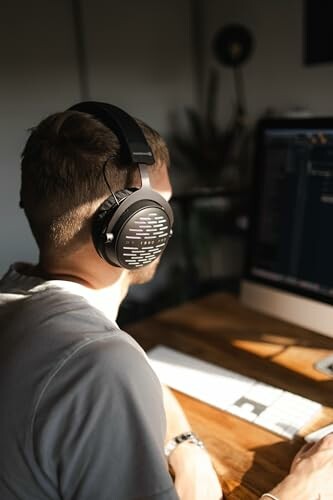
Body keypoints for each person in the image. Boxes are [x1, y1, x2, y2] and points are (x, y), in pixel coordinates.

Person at [0, 102, 332, 500]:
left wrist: (185, 447)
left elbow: (143, 375)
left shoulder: (19, 303)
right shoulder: (98, 366)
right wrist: (303, 483)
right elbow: (111, 372)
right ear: (136, 227)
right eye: (163, 205)